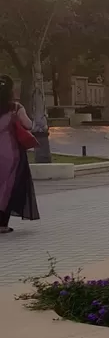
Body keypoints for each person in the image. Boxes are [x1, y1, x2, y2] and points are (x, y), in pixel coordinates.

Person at [0, 76, 40, 235]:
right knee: (7, 187)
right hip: (10, 153)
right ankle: (2, 224)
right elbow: (29, 125)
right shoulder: (15, 108)